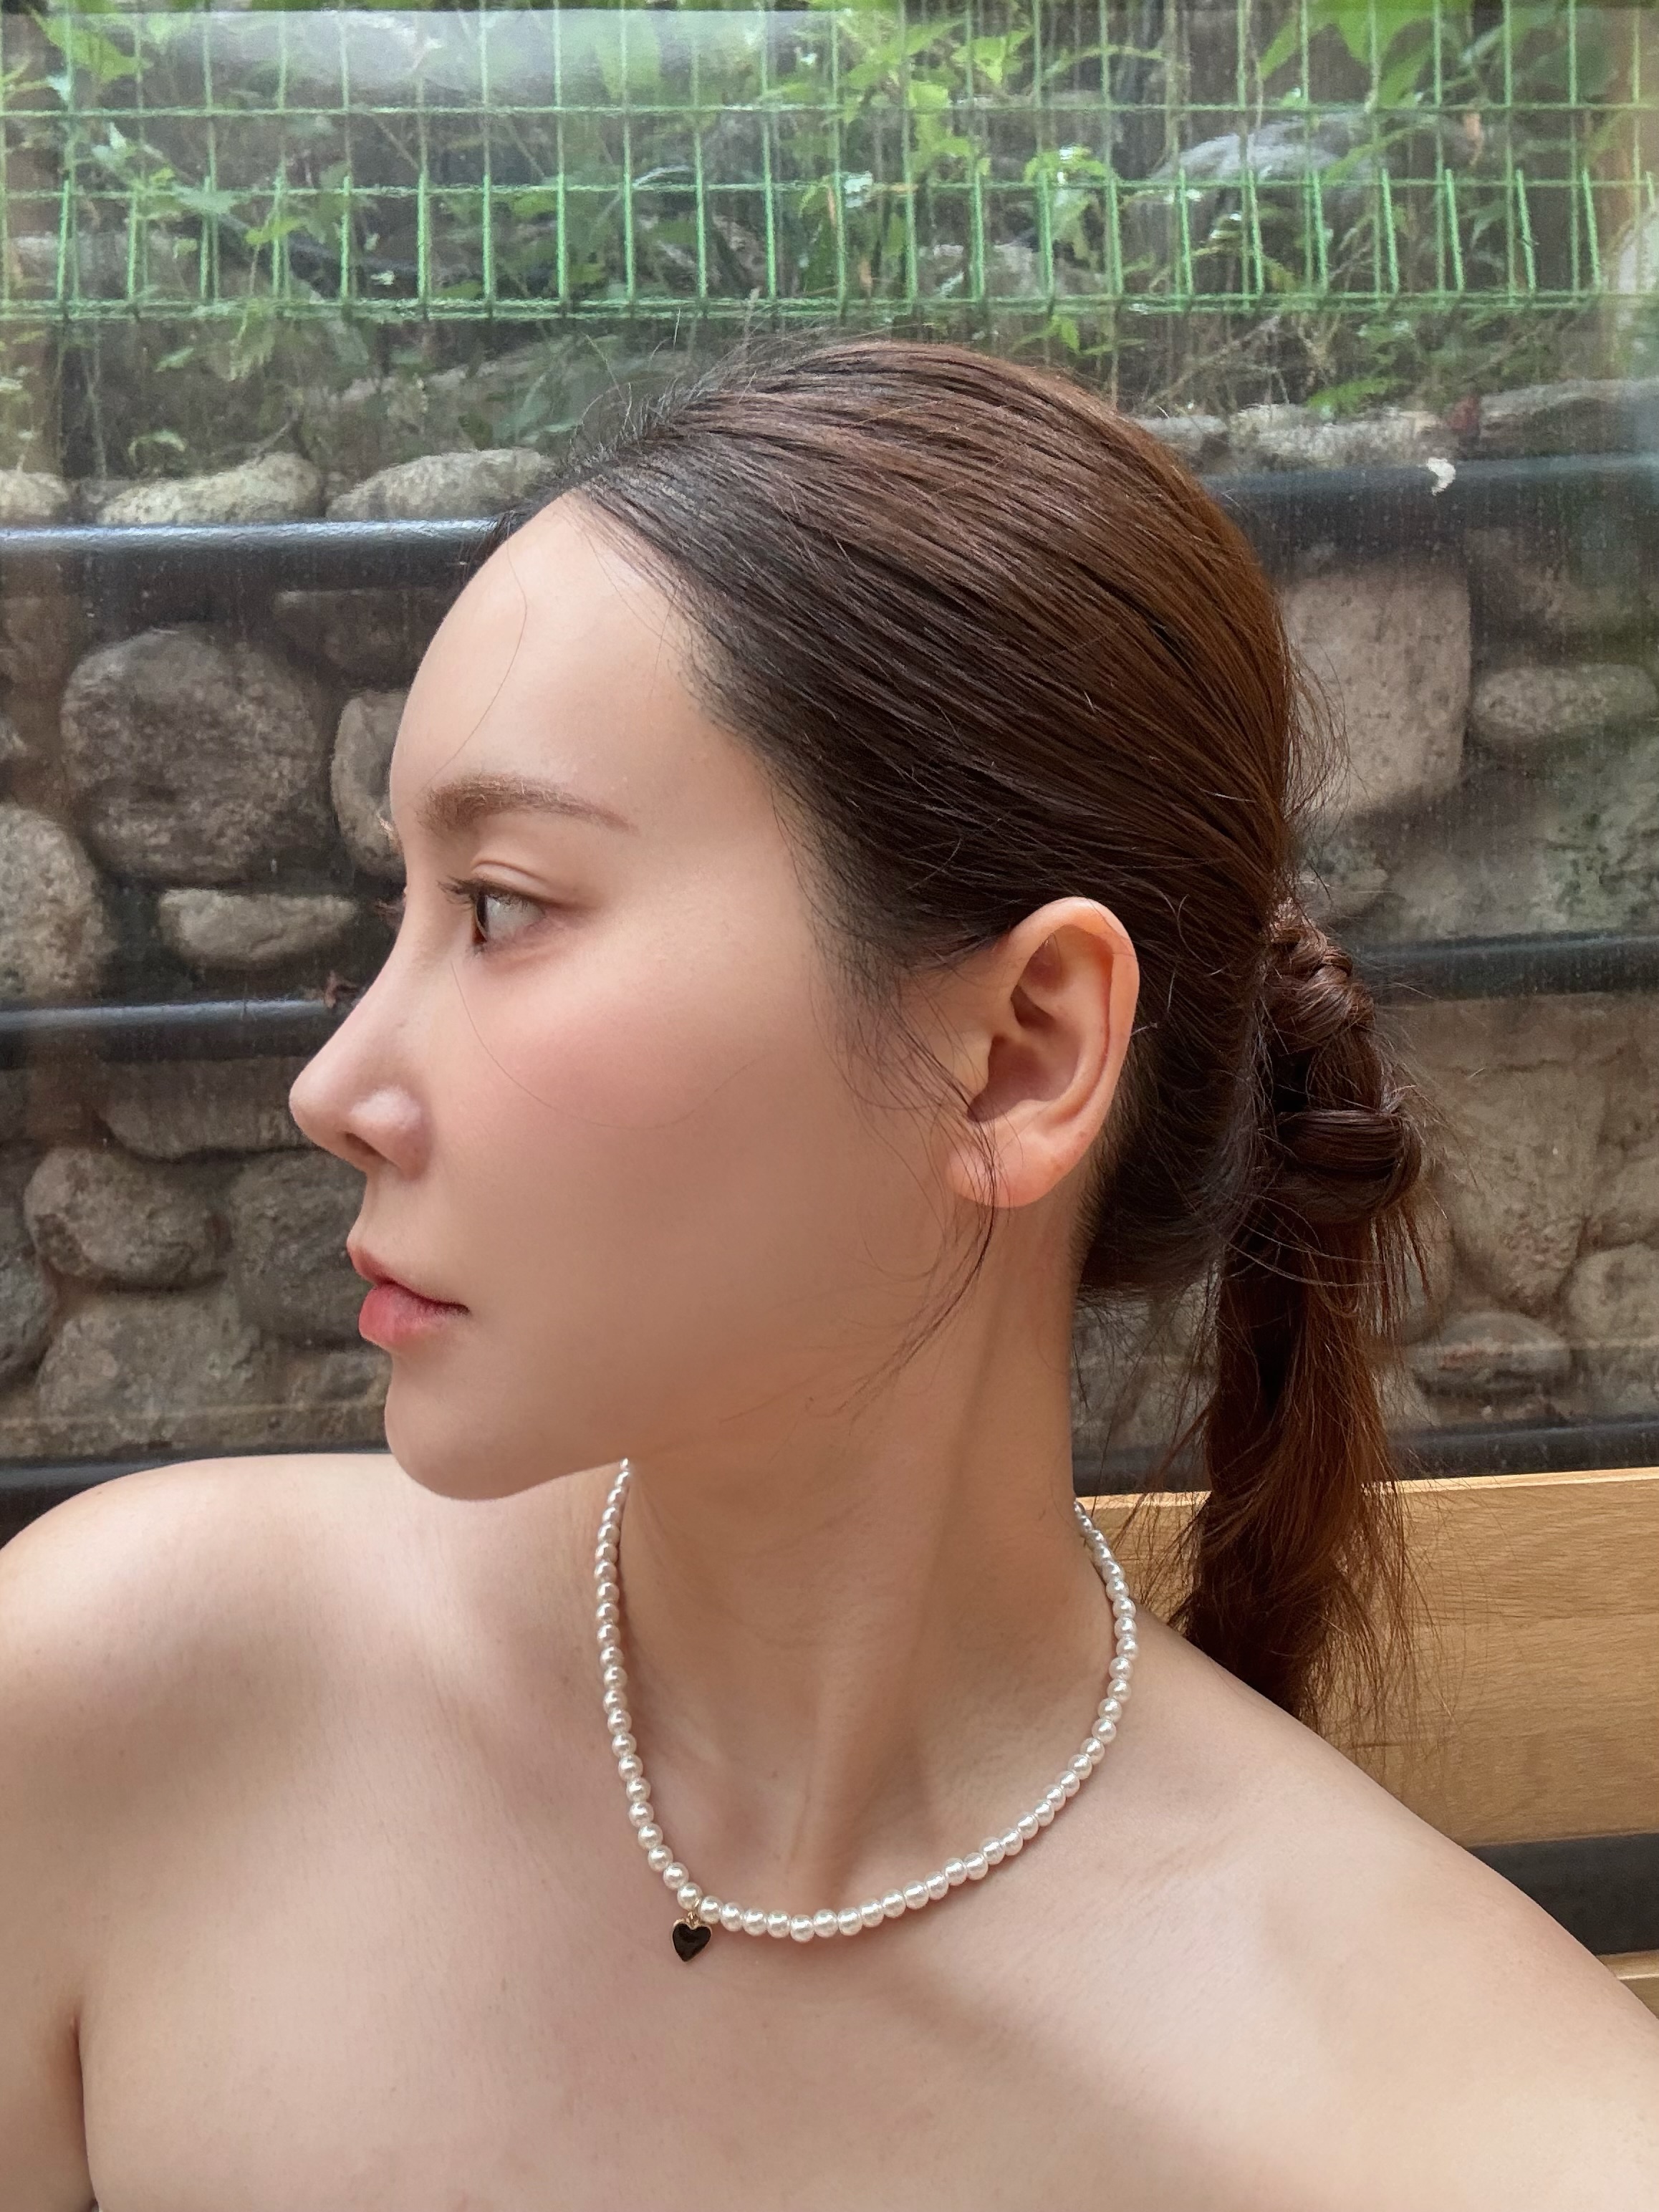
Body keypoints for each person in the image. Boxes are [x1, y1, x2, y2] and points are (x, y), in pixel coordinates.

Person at [2, 339, 1655, 2210]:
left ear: (1019, 1053)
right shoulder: (121, 1702)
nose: (335, 1089)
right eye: (406, 911)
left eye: (504, 908)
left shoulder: (1493, 2139)